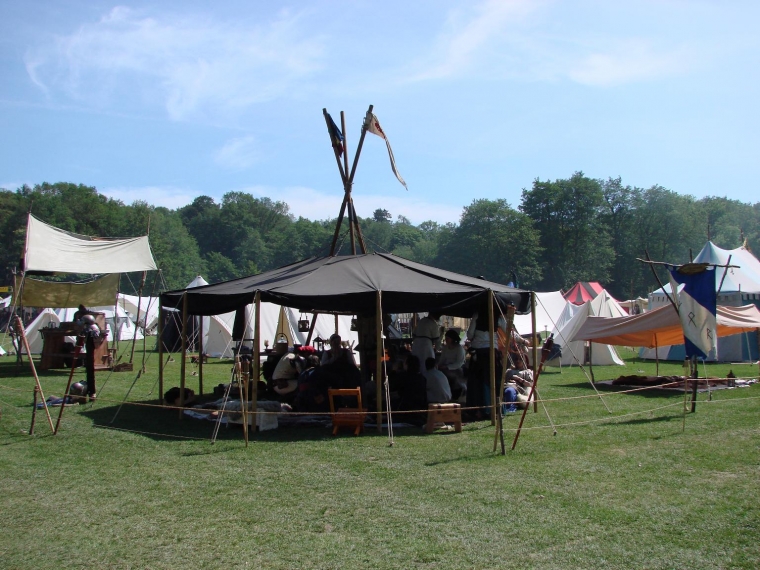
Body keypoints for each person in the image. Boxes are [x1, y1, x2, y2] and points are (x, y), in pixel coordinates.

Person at [465, 306, 504, 420]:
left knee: (480, 382)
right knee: (489, 381)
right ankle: (487, 409)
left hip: (481, 354)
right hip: (490, 353)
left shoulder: (477, 315)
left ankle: (484, 410)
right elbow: (507, 328)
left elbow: (469, 335)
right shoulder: (497, 316)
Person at [397, 355, 427, 425]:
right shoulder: (422, 378)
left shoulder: (403, 376)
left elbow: (399, 392)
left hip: (406, 406)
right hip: (420, 406)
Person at [438, 329, 466, 401]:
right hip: (445, 368)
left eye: (448, 338)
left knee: (452, 377)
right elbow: (442, 359)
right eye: (446, 338)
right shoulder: (445, 348)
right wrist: (438, 366)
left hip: (457, 369)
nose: (446, 340)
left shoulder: (459, 349)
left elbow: (459, 363)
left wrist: (448, 367)